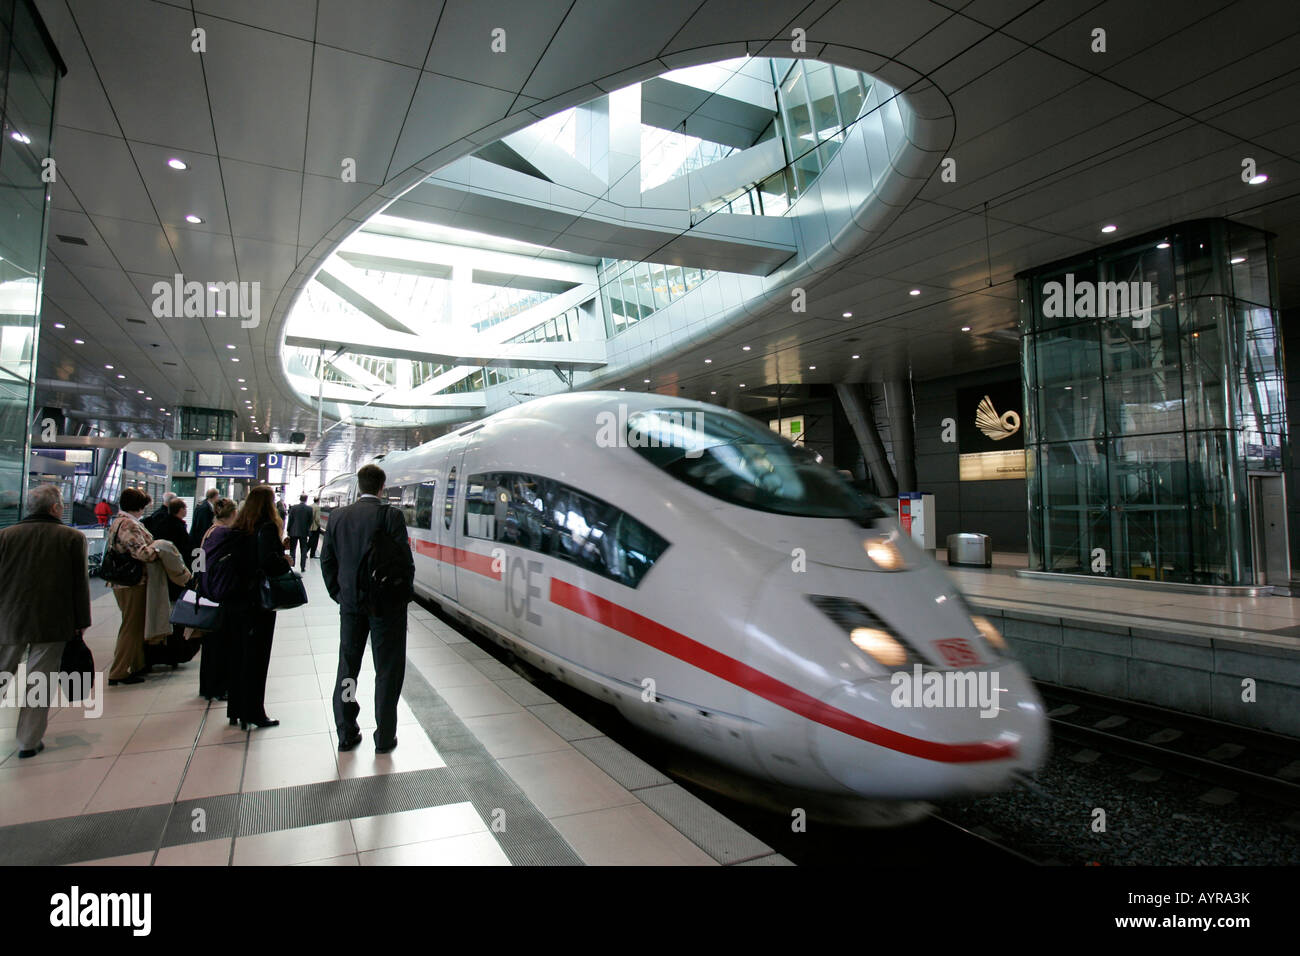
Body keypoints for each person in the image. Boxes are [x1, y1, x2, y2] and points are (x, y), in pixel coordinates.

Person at [320, 463, 413, 754]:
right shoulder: (391, 516)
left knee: (348, 668)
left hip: (351, 606)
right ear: (381, 487)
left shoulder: (337, 517)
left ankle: (346, 731)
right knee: (387, 671)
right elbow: (404, 564)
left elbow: (327, 561)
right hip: (386, 608)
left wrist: (340, 594)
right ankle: (385, 737)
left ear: (359, 487)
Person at [0, 485, 92, 758]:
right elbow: (80, 584)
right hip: (53, 620)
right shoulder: (72, 538)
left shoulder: (5, 536)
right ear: (54, 509)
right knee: (39, 680)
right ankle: (28, 741)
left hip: (8, 618)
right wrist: (81, 620)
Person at [226, 485, 291, 730]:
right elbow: (269, 564)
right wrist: (284, 560)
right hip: (257, 602)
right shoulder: (266, 528)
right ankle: (254, 712)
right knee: (256, 657)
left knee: (237, 655)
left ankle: (235, 709)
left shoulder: (238, 528)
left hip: (236, 600)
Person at [106, 488, 160, 685]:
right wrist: (157, 549)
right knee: (131, 626)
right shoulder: (129, 524)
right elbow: (142, 553)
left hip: (123, 581)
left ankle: (136, 664)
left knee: (133, 624)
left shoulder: (118, 521)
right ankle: (119, 670)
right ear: (138, 506)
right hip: (133, 582)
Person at [197, 497, 238, 701]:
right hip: (220, 591)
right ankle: (219, 686)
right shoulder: (225, 533)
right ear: (233, 514)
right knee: (222, 642)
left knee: (211, 643)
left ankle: (207, 686)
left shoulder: (210, 531)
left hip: (208, 589)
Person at [189, 488, 219, 561]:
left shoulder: (204, 505)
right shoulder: (204, 508)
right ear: (214, 496)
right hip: (199, 541)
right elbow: (202, 526)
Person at [285, 494, 313, 571]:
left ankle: (292, 565)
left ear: (300, 499)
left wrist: (288, 530)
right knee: (303, 549)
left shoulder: (294, 508)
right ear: (306, 499)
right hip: (304, 532)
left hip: (293, 532)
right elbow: (310, 521)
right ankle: (303, 567)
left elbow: (290, 520)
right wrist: (307, 529)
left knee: (293, 549)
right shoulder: (309, 509)